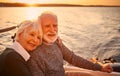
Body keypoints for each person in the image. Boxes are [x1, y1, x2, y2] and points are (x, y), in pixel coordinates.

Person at [27, 11, 113, 76]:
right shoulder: (35, 54)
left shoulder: (56, 42)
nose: (52, 30)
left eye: (55, 25)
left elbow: (73, 58)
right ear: (39, 27)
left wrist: (100, 67)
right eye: (47, 26)